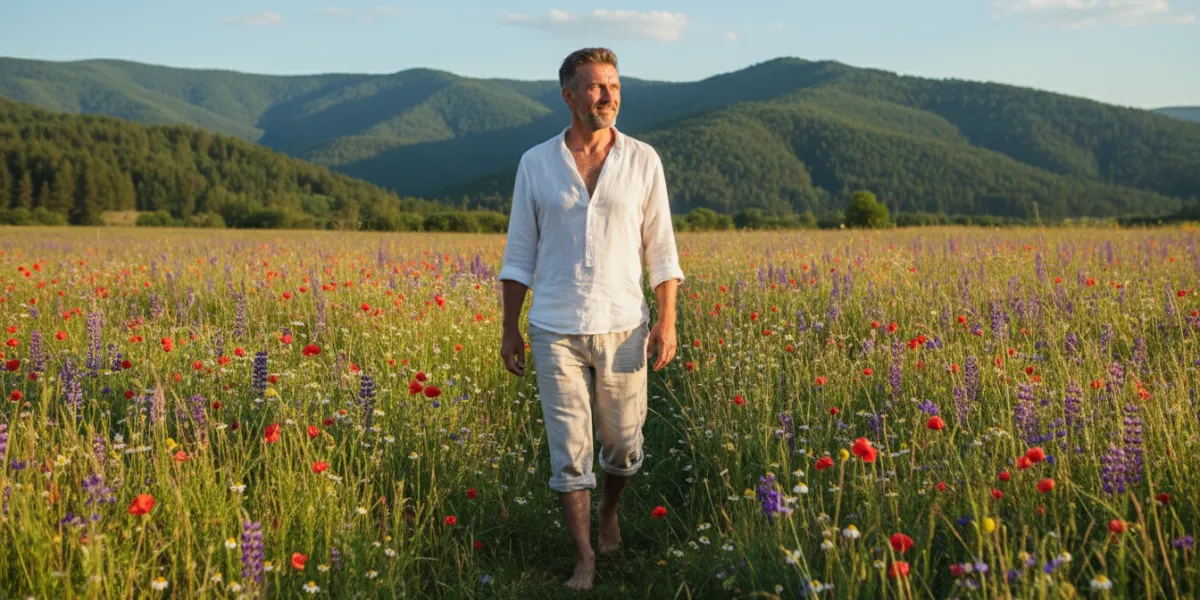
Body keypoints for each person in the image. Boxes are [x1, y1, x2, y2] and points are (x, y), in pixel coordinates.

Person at [497, 47, 685, 591]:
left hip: (624, 322)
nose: (609, 96)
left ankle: (609, 510)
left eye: (615, 86)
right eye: (598, 87)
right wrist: (510, 328)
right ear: (570, 96)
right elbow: (518, 253)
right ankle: (585, 558)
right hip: (554, 327)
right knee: (569, 449)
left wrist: (667, 319)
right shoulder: (536, 162)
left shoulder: (643, 159)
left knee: (623, 445)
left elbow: (663, 249)